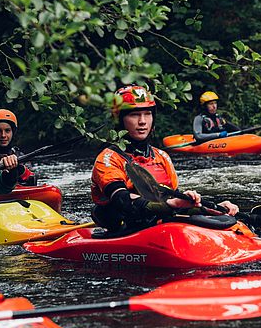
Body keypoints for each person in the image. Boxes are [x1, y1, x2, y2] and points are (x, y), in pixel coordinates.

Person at [91, 84, 239, 233]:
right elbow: (122, 200)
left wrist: (214, 208)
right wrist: (171, 204)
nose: (142, 121)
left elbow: (176, 200)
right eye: (134, 115)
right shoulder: (108, 158)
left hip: (160, 225)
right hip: (125, 229)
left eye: (147, 114)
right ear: (120, 119)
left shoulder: (162, 156)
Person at [0, 109, 38, 186]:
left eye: (7, 130)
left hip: (13, 193)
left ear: (13, 132)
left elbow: (32, 180)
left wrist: (19, 169)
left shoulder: (20, 156)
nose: (3, 135)